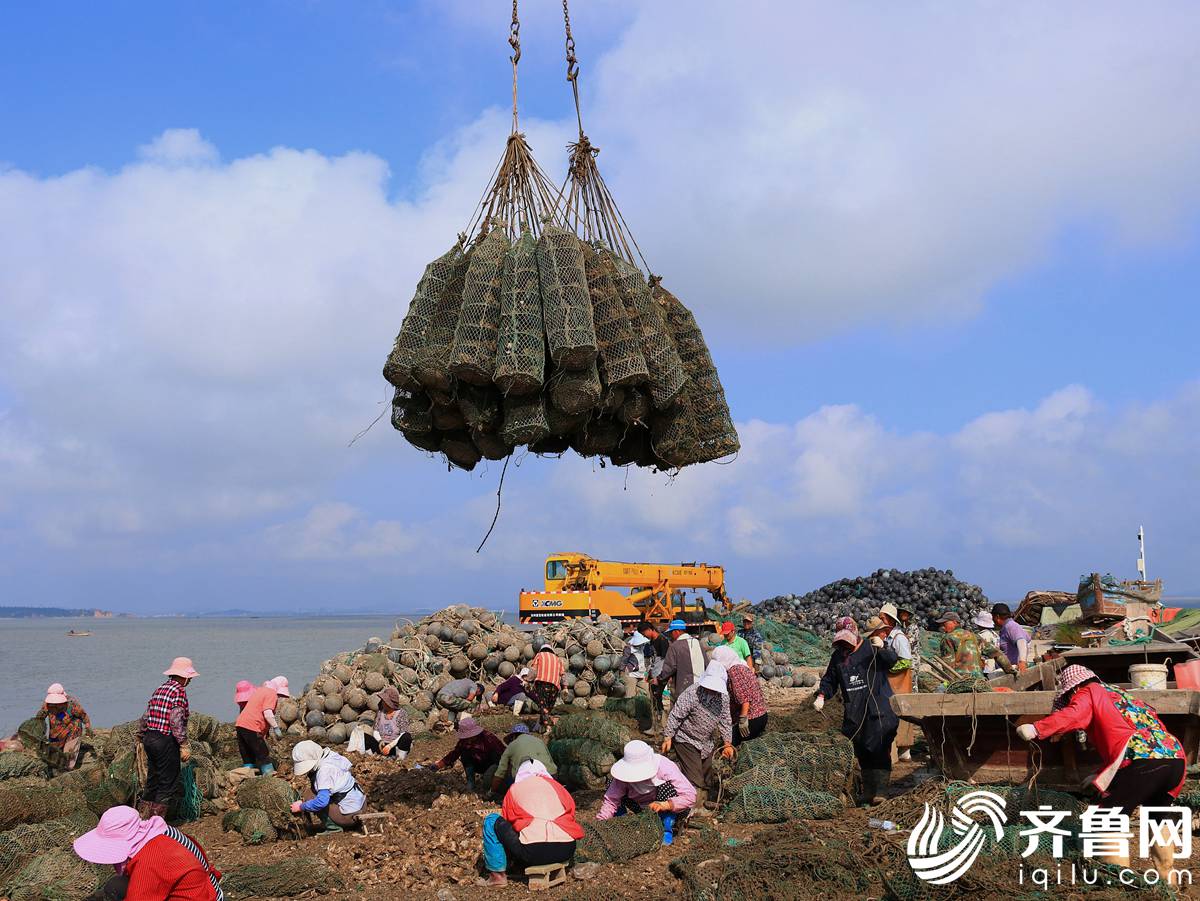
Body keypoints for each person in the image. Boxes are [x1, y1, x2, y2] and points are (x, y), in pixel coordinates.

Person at [1017, 664, 1186, 873]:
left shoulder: (1087, 691)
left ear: (1072, 690)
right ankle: (1167, 881)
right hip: (1175, 758)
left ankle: (1118, 884)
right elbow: (1130, 738)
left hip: (1144, 761)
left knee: (1106, 819)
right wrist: (1100, 775)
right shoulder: (1121, 695)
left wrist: (1036, 729)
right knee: (1158, 817)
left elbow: (1074, 714)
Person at [813, 623, 897, 806]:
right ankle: (868, 791)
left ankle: (881, 790)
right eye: (842, 643)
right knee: (861, 749)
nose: (846, 647)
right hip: (854, 711)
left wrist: (884, 648)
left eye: (848, 642)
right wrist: (821, 695)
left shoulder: (872, 647)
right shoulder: (838, 657)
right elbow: (830, 680)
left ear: (856, 636)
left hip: (878, 708)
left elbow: (892, 661)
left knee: (879, 747)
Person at [75, 805, 222, 901]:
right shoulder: (157, 832)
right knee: (116, 885)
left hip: (203, 897)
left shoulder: (150, 859)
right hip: (205, 888)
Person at [479, 760, 582, 887]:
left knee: (491, 820)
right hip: (567, 849)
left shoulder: (515, 789)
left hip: (533, 852)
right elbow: (570, 815)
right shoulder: (559, 788)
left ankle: (497, 876)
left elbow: (508, 818)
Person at [662, 660, 733, 816]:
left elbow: (726, 720)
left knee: (707, 772)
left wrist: (727, 744)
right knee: (695, 775)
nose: (713, 691)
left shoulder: (723, 698)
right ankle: (692, 808)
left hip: (706, 741)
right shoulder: (692, 693)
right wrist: (668, 737)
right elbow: (676, 715)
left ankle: (704, 801)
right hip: (686, 738)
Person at [597, 740, 695, 845]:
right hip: (638, 805)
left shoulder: (664, 766)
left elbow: (690, 795)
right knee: (611, 785)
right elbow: (611, 801)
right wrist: (601, 823)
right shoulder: (623, 777)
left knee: (667, 788)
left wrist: (665, 805)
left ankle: (666, 828)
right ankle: (622, 825)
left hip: (664, 805)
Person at [137, 657, 197, 820]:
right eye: (189, 677)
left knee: (153, 779)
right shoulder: (179, 691)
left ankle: (143, 818)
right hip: (165, 740)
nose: (190, 680)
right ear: (184, 677)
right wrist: (183, 744)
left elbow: (146, 714)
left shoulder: (160, 688)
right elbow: (175, 719)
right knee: (168, 782)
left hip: (150, 737)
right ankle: (156, 823)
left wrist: (141, 734)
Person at [290, 740, 367, 833]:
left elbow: (321, 802)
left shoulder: (324, 771)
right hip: (361, 806)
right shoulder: (330, 756)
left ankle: (333, 828)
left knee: (309, 795)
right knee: (314, 793)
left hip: (350, 815)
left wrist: (301, 806)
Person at [877, 606, 915, 761]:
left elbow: (906, 661)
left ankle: (905, 748)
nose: (881, 621)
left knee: (902, 712)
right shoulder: (886, 637)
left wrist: (889, 669)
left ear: (891, 620)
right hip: (892, 682)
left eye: (883, 619)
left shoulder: (899, 637)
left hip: (900, 681)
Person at [430, 717, 506, 792]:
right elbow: (454, 754)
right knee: (464, 754)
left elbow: (504, 753)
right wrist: (439, 765)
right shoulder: (464, 742)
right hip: (478, 765)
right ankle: (471, 782)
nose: (468, 739)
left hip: (494, 764)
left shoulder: (488, 738)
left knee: (488, 781)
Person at [711, 646, 767, 745]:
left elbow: (745, 697)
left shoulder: (735, 670)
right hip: (758, 716)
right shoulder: (740, 666)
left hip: (752, 718)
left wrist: (743, 719)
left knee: (729, 745)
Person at [233, 677, 288, 776]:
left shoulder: (259, 691)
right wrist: (276, 727)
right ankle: (268, 773)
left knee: (247, 753)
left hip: (240, 724)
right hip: (252, 726)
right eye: (279, 694)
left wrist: (264, 732)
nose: (278, 697)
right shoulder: (271, 694)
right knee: (262, 752)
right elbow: (267, 713)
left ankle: (247, 774)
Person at [33, 683, 92, 772]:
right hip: (56, 734)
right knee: (53, 758)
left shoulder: (72, 704)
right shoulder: (47, 705)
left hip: (72, 730)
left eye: (57, 704)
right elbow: (39, 719)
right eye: (53, 704)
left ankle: (70, 759)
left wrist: (88, 727)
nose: (55, 706)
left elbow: (83, 716)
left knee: (68, 759)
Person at [489, 724, 557, 800]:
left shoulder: (512, 745)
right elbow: (552, 764)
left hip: (527, 783)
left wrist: (491, 792)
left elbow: (500, 773)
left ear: (513, 736)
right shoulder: (540, 741)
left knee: (508, 773)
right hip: (551, 780)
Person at [936, 612, 1012, 677]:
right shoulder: (974, 636)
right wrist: (1010, 670)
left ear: (955, 622)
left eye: (944, 623)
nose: (942, 627)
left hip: (960, 681)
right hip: (978, 680)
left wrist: (950, 684)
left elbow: (948, 665)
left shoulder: (948, 638)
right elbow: (997, 654)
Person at [348, 686, 412, 760]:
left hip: (395, 747)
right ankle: (372, 758)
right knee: (360, 735)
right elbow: (376, 730)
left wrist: (390, 746)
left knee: (406, 736)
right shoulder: (380, 712)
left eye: (385, 701)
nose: (382, 702)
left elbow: (402, 733)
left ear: (390, 703)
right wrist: (380, 741)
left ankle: (399, 759)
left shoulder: (401, 713)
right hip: (381, 745)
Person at [656, 619, 707, 699]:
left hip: (683, 689)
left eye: (671, 633)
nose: (671, 636)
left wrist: (659, 679)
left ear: (677, 631)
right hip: (701, 687)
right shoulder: (698, 643)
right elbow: (706, 663)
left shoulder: (675, 646)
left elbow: (669, 668)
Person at [639, 622, 670, 733]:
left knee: (660, 700)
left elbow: (666, 661)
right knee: (655, 700)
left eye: (644, 633)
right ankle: (657, 726)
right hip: (655, 675)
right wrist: (650, 673)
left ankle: (663, 727)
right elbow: (653, 660)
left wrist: (662, 677)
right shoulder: (652, 642)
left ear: (650, 629)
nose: (644, 636)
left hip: (661, 676)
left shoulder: (662, 641)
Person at [528, 648, 565, 731]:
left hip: (542, 684)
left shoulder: (540, 655)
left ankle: (548, 727)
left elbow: (533, 670)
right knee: (548, 708)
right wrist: (565, 687)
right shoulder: (558, 659)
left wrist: (528, 680)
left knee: (543, 706)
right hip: (555, 687)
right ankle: (540, 727)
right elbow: (563, 675)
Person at [991, 603, 1032, 672]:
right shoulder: (1006, 627)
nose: (992, 620)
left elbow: (1021, 641)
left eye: (993, 617)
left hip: (1013, 670)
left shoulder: (1011, 626)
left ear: (997, 617)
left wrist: (1022, 662)